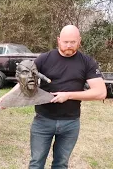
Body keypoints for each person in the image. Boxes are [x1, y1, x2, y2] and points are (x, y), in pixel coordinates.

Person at [29, 25, 107, 169]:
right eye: (65, 42)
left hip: (70, 123)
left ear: (79, 41)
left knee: (61, 164)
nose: (69, 45)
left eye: (73, 42)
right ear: (58, 40)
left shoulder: (87, 62)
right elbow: (24, 81)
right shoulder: (44, 59)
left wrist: (69, 95)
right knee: (36, 163)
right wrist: (6, 98)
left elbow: (101, 92)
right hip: (43, 121)